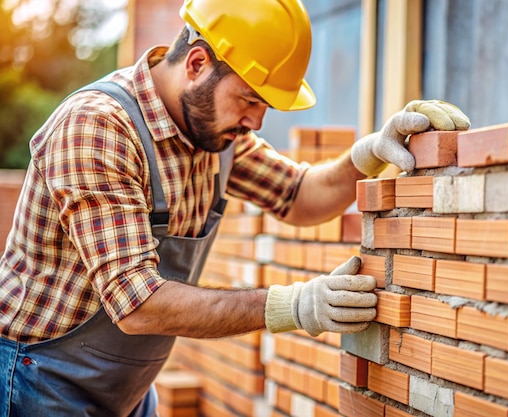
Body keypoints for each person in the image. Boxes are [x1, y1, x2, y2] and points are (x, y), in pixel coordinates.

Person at [0, 0, 470, 416]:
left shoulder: (216, 134)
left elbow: (301, 195)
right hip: (37, 378)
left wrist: (367, 155)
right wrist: (295, 305)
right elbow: (137, 304)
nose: (256, 121)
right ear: (198, 63)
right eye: (249, 99)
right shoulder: (98, 128)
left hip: (127, 387)